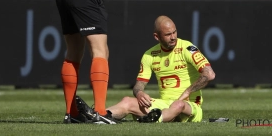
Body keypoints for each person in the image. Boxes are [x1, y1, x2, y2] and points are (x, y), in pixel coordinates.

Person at [77, 15, 215, 123]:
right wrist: (139, 94)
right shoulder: (149, 55)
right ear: (157, 36)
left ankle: (155, 119)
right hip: (164, 105)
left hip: (189, 106)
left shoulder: (187, 48)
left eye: (174, 32)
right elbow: (139, 86)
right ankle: (97, 115)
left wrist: (187, 92)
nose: (173, 37)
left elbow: (209, 74)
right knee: (127, 101)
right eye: (168, 34)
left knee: (178, 105)